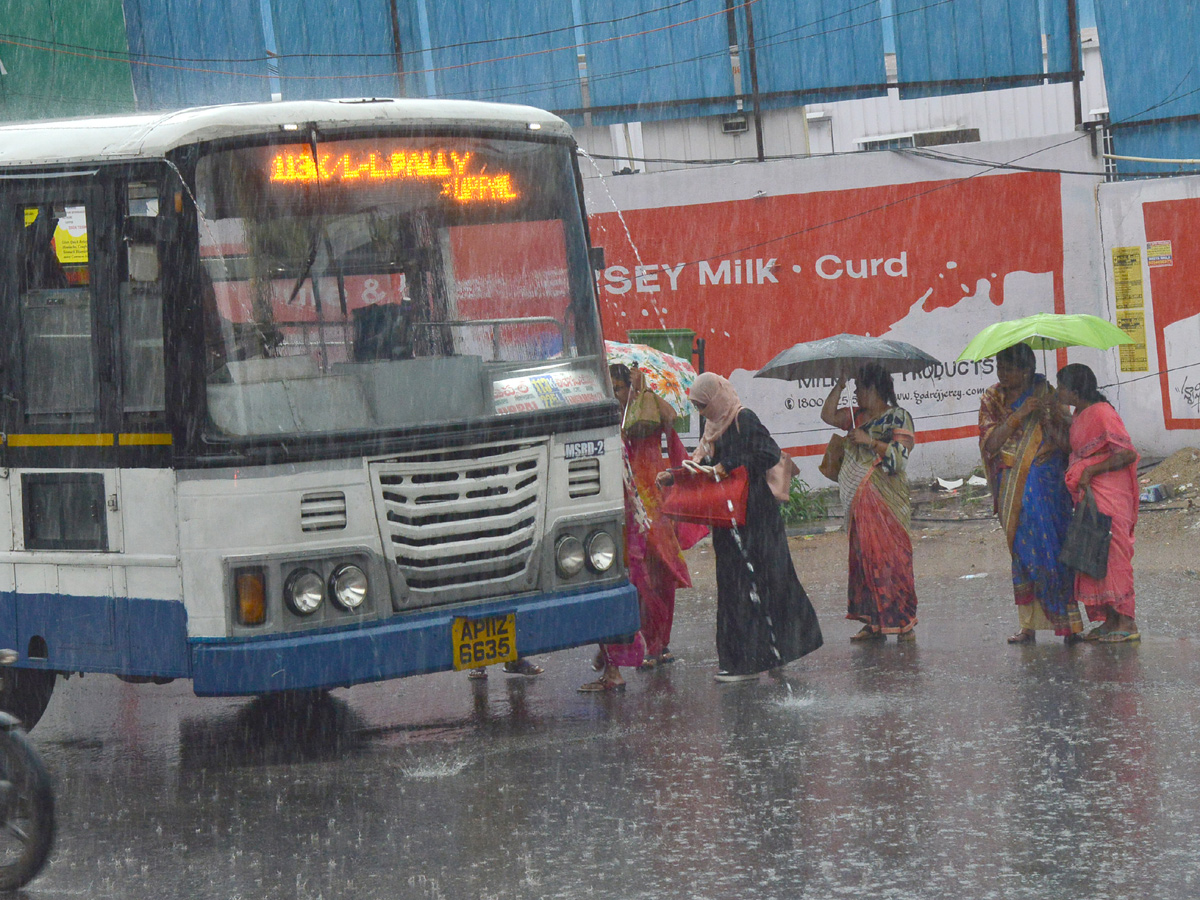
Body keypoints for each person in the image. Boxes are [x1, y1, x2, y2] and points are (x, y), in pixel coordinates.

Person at [657, 372, 822, 681]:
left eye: (704, 405)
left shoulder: (743, 418)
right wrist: (675, 476)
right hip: (729, 519)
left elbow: (768, 453)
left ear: (718, 398)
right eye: (699, 407)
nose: (703, 413)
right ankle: (742, 660)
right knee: (735, 587)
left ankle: (770, 655)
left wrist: (729, 463)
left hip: (758, 516)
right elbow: (706, 470)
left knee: (769, 582)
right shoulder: (713, 429)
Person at [580, 364, 704, 692]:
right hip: (622, 503)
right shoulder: (607, 417)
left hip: (652, 502)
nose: (616, 394)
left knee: (658, 575)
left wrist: (642, 391)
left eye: (619, 388)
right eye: (613, 389)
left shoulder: (645, 409)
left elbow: (669, 417)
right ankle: (629, 647)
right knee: (633, 579)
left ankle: (657, 645)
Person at [978, 343, 1082, 644]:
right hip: (1012, 486)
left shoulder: (1045, 391)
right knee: (1023, 553)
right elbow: (990, 445)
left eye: (1009, 368)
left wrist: (1051, 419)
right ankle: (1028, 625)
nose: (1003, 374)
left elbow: (1066, 436)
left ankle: (1069, 624)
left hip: (1047, 485)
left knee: (1053, 549)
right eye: (999, 367)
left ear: (1027, 371)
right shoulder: (991, 398)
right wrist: (1019, 414)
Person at [820, 363, 918, 641]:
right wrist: (839, 385)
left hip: (886, 498)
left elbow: (900, 457)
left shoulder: (898, 417)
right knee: (865, 559)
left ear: (874, 389)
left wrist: (869, 442)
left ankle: (903, 621)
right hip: (858, 500)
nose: (856, 394)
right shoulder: (855, 416)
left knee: (892, 559)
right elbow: (827, 415)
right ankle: (873, 621)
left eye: (859, 388)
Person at [1056, 363, 1140, 642]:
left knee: (1112, 555)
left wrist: (1090, 470)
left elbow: (1126, 453)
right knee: (1094, 554)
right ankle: (1109, 620)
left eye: (1062, 387)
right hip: (1090, 496)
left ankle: (1127, 622)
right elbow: (1079, 439)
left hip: (1109, 494)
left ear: (1075, 390)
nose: (1059, 391)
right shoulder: (1081, 413)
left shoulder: (1103, 413)